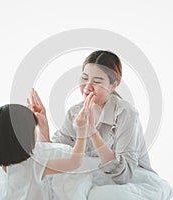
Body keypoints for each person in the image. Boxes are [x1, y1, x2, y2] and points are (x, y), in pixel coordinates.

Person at [30, 50, 155, 185]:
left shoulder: (125, 113)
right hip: (97, 178)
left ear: (113, 85)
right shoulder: (75, 112)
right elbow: (59, 155)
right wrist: (43, 127)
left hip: (134, 182)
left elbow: (123, 176)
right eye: (84, 78)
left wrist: (92, 133)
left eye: (97, 81)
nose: (87, 86)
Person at [0, 95, 95, 200]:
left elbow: (43, 150)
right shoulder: (34, 165)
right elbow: (75, 162)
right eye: (33, 129)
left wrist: (42, 127)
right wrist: (82, 131)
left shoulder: (0, 166)